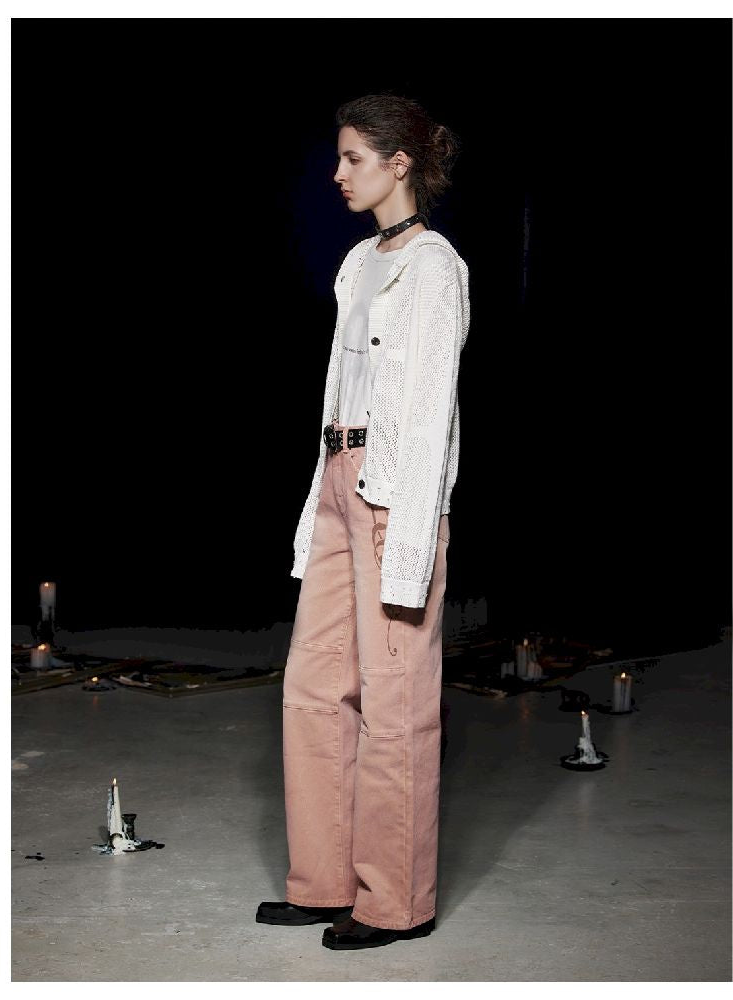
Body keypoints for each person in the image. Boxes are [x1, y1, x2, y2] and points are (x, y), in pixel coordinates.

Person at [256, 93, 470, 951]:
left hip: (394, 490)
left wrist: (410, 542)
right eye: (339, 157)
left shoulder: (435, 268)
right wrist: (321, 501)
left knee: (395, 699)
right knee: (313, 687)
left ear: (399, 162)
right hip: (338, 478)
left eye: (353, 158)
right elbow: (341, 391)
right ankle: (324, 881)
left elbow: (428, 413)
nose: (338, 174)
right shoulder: (357, 263)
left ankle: (396, 903)